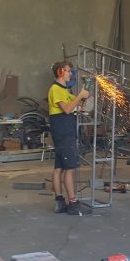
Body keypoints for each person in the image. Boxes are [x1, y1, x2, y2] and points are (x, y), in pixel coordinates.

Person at [48, 61, 89, 215]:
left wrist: (84, 94)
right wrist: (80, 96)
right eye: (68, 71)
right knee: (70, 169)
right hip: (64, 133)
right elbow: (66, 109)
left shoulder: (65, 91)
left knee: (59, 168)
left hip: (62, 133)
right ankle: (73, 203)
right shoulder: (56, 89)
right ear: (60, 72)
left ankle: (59, 202)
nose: (71, 74)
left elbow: (78, 105)